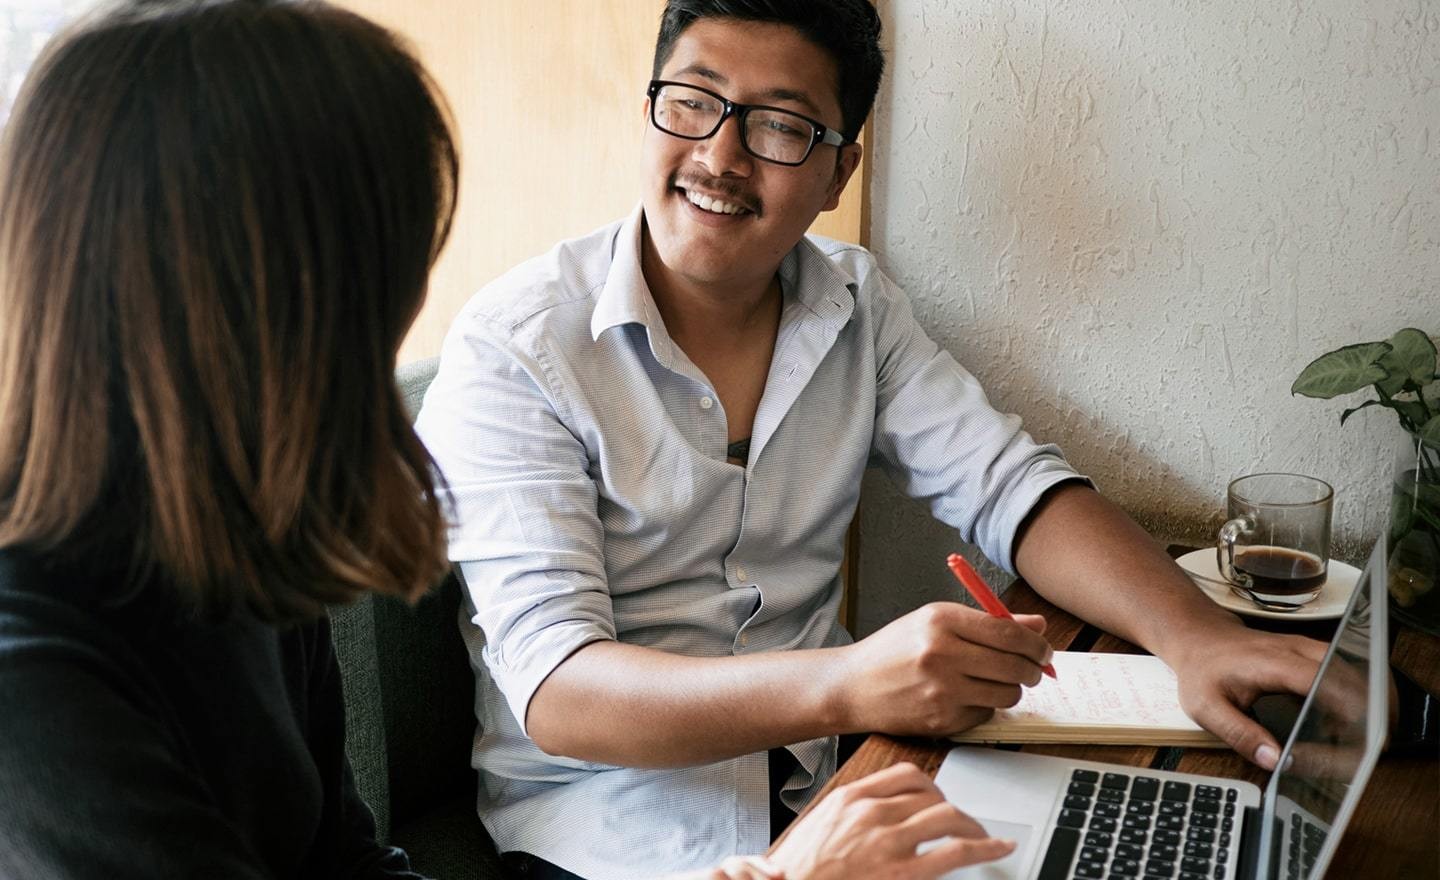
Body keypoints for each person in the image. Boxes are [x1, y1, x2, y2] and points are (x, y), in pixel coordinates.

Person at [0, 2, 1010, 879]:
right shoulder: (32, 677)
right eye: (370, 291)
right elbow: (559, 684)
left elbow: (346, 866)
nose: (379, 344)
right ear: (224, 299)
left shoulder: (233, 543)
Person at [413, 0, 1332, 877]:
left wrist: (1197, 636)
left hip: (834, 777)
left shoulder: (853, 302)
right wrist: (852, 683)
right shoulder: (516, 346)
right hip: (612, 829)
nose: (721, 155)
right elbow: (560, 693)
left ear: (837, 171)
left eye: (778, 124)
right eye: (692, 103)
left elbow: (1010, 486)